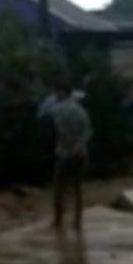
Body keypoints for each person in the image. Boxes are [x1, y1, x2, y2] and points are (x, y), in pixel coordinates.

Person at [42, 82, 93, 231]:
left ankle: (58, 219)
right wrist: (79, 144)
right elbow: (88, 130)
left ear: (62, 92)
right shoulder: (80, 109)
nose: (55, 95)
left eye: (57, 92)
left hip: (64, 153)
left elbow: (59, 130)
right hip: (81, 153)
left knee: (59, 188)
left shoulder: (56, 109)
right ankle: (77, 221)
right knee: (78, 188)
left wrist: (68, 143)